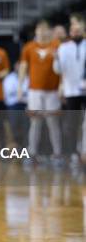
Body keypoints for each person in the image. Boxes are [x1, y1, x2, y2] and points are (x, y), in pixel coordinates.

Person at [19, 20, 62, 164]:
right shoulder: (29, 47)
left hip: (53, 91)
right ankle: (32, 153)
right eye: (39, 29)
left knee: (52, 122)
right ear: (36, 31)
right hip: (34, 91)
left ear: (49, 31)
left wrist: (62, 86)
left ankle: (57, 154)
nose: (42, 32)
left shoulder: (57, 45)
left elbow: (62, 68)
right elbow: (24, 67)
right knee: (35, 122)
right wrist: (20, 86)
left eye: (45, 29)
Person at [53, 14, 85, 163]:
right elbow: (58, 70)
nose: (76, 33)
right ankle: (73, 151)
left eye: (79, 31)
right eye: (73, 31)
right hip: (71, 90)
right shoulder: (63, 48)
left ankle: (84, 150)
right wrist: (56, 59)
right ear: (70, 33)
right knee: (73, 123)